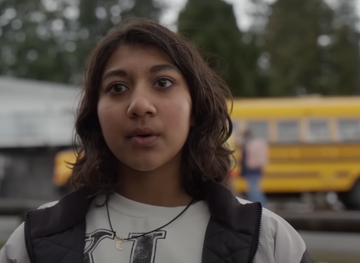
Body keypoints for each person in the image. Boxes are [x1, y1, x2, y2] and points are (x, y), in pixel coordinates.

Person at [0, 18, 313, 263]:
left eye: (163, 83)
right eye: (117, 88)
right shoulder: (32, 241)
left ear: (195, 108)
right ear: (95, 113)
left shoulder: (269, 240)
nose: (139, 106)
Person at [241, 129, 268, 205]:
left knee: (254, 190)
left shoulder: (250, 145)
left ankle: (262, 205)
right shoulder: (256, 144)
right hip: (256, 169)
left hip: (251, 169)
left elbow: (247, 159)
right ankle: (259, 205)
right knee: (254, 189)